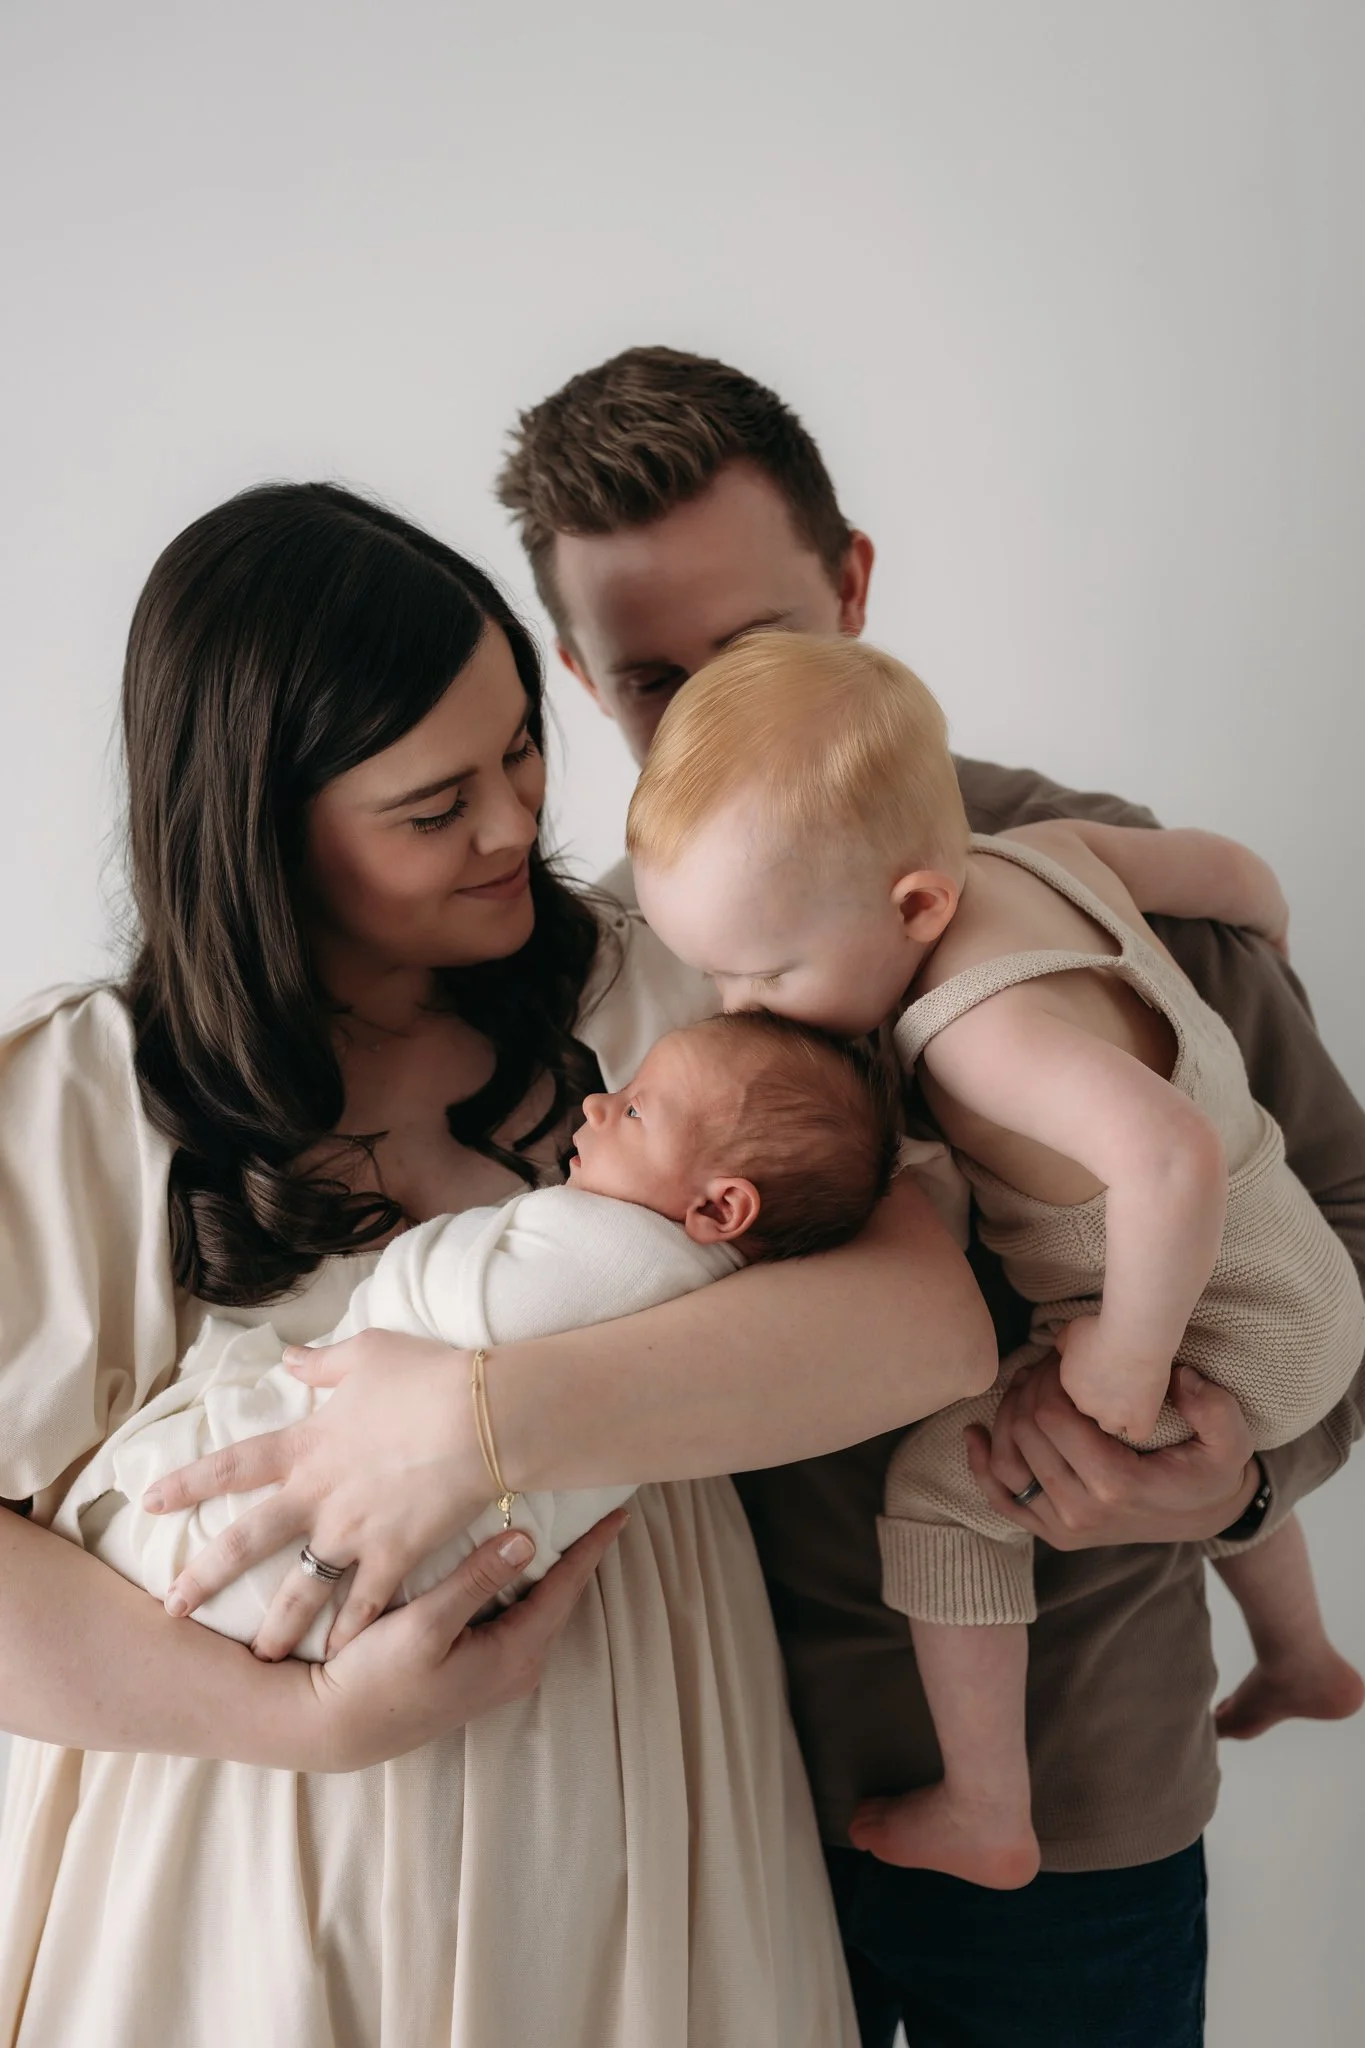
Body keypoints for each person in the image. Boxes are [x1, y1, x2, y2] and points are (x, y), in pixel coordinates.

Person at [0, 483, 996, 2048]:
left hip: (649, 1828)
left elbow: (930, 1329)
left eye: (523, 745)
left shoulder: (665, 988)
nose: (516, 822)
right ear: (262, 823)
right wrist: (311, 1724)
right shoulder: (83, 1094)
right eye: (431, 803)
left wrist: (475, 1422)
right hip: (236, 1863)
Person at [491, 345, 1365, 2047]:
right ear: (584, 681)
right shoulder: (600, 979)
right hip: (708, 1793)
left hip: (1074, 1806)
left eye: (753, 654)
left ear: (855, 589)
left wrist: (1241, 1474)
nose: (707, 716)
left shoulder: (1072, 886)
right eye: (649, 679)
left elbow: (1338, 1221)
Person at [625, 629, 1365, 1890]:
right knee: (1221, 1445)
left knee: (947, 1484)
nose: (736, 1006)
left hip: (1221, 1316)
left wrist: (1122, 1380)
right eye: (709, 969)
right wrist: (1276, 939)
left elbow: (1171, 1161)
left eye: (767, 970)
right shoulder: (1051, 853)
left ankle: (988, 1807)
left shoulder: (978, 1032)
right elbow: (1232, 876)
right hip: (1286, 1283)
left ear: (914, 907)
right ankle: (1299, 1652)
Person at [59, 1012, 902, 1662]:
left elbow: (466, 1309)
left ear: (719, 1208)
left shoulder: (625, 1256)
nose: (600, 1103)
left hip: (410, 1545)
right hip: (449, 1581)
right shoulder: (718, 1296)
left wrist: (399, 1274)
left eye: (637, 1107)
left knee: (190, 1521)